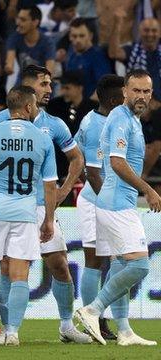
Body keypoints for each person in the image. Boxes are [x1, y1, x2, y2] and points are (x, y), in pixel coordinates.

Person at [0, 65, 90, 344]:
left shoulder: (54, 124)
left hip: (37, 206)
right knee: (10, 269)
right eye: (44, 84)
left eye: (50, 84)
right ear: (28, 88)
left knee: (60, 264)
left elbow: (77, 158)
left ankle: (65, 325)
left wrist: (64, 190)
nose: (49, 89)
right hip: (22, 207)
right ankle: (8, 330)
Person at [0, 85, 58, 346]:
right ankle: (12, 332)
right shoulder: (43, 139)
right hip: (26, 213)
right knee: (19, 274)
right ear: (29, 107)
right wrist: (48, 219)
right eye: (35, 106)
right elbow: (50, 185)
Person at [74, 69, 161, 346]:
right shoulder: (121, 119)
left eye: (146, 91)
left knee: (121, 264)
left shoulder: (131, 119)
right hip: (115, 203)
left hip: (115, 202)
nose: (142, 96)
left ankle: (124, 332)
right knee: (140, 266)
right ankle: (92, 310)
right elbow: (117, 163)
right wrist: (148, 189)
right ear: (125, 91)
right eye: (136, 90)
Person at [73, 74, 124, 341]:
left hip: (104, 199)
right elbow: (92, 173)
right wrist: (113, 205)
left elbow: (76, 154)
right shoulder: (96, 126)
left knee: (115, 260)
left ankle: (99, 315)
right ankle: (95, 321)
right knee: (94, 260)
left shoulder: (107, 119)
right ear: (116, 100)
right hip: (97, 201)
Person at [47, 70, 97, 179]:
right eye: (62, 88)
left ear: (80, 88)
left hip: (87, 166)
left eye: (67, 88)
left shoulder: (93, 109)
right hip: (59, 167)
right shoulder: (54, 106)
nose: (63, 92)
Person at [109, 15, 161, 107]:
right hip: (136, 106)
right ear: (140, 32)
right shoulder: (132, 51)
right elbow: (114, 53)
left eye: (154, 31)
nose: (150, 34)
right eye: (146, 30)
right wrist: (117, 24)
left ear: (159, 33)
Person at [5, 5, 56, 82]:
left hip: (42, 83)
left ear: (35, 22)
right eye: (18, 18)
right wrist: (8, 67)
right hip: (23, 82)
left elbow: (49, 71)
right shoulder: (14, 37)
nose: (18, 23)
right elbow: (10, 60)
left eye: (23, 20)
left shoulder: (48, 42)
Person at [64, 18, 111, 99]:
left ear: (90, 36)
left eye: (82, 36)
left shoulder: (97, 56)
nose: (77, 40)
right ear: (70, 37)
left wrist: (87, 106)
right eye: (74, 36)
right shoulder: (71, 53)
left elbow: (105, 87)